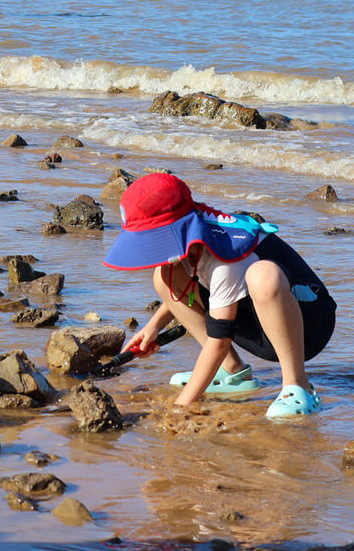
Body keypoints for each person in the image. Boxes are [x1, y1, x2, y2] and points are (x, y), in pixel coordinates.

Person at [103, 173, 336, 417]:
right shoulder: (194, 237)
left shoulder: (224, 256)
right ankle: (233, 372)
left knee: (262, 275)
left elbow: (219, 341)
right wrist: (153, 327)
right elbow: (194, 294)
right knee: (164, 276)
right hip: (258, 321)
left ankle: (298, 386)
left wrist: (181, 406)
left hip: (308, 325)